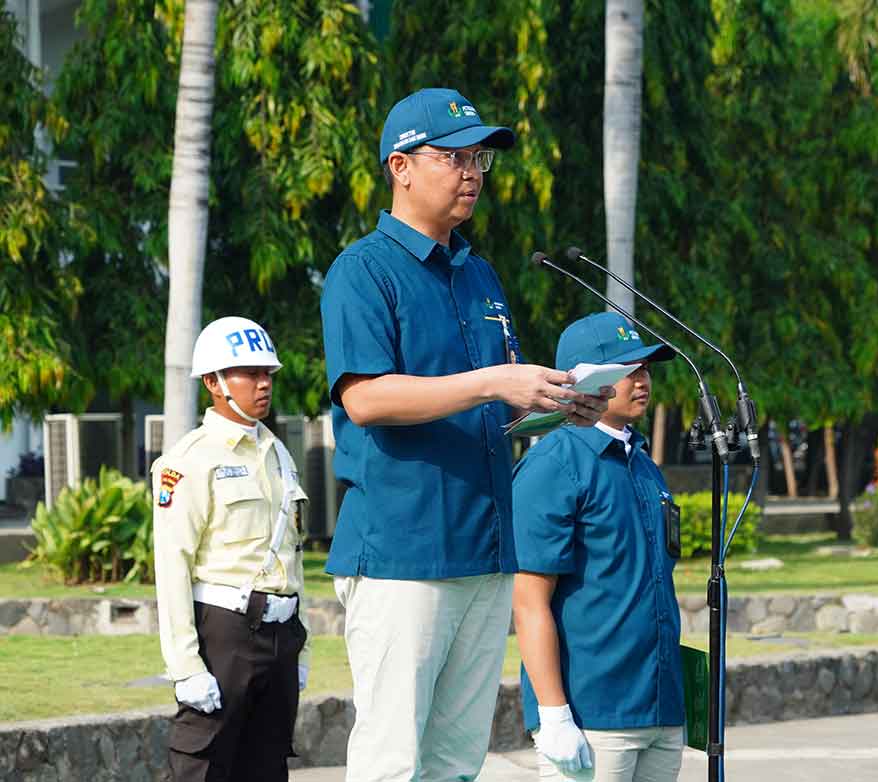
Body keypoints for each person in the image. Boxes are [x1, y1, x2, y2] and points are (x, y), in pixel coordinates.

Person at [319, 87, 610, 782]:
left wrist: (548, 405)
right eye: (452, 156)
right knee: (393, 761)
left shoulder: (479, 275)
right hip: (403, 552)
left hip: (484, 549)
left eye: (479, 156)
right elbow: (366, 398)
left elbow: (491, 405)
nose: (472, 171)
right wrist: (491, 382)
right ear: (401, 167)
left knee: (456, 763)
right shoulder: (362, 272)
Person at [512, 312, 686, 782]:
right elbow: (529, 601)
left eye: (645, 369)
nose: (642, 381)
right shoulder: (554, 463)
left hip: (660, 705)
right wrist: (554, 715)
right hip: (594, 714)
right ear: (585, 380)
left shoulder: (644, 464)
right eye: (627, 370)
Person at [153, 316, 310, 782]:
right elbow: (173, 566)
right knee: (203, 767)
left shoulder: (279, 454)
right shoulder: (188, 460)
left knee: (267, 766)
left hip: (280, 633)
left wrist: (300, 650)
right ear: (213, 383)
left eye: (268, 373)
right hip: (224, 634)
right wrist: (185, 667)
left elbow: (292, 556)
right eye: (250, 373)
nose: (264, 383)